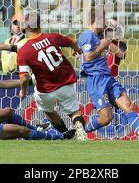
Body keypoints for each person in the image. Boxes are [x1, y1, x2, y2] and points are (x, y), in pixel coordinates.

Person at [77, 8, 139, 141]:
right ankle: (80, 131)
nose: (106, 23)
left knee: (128, 105)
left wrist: (108, 42)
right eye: (104, 20)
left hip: (107, 78)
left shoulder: (99, 38)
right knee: (106, 118)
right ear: (98, 20)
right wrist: (103, 44)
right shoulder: (87, 36)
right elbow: (88, 57)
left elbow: (120, 54)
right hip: (95, 80)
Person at [17, 11, 88, 141]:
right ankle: (80, 129)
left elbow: (24, 78)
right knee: (74, 112)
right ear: (40, 24)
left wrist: (23, 90)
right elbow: (73, 41)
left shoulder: (23, 50)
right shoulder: (53, 37)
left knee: (48, 110)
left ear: (26, 26)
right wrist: (76, 50)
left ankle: (66, 133)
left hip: (45, 90)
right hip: (65, 82)